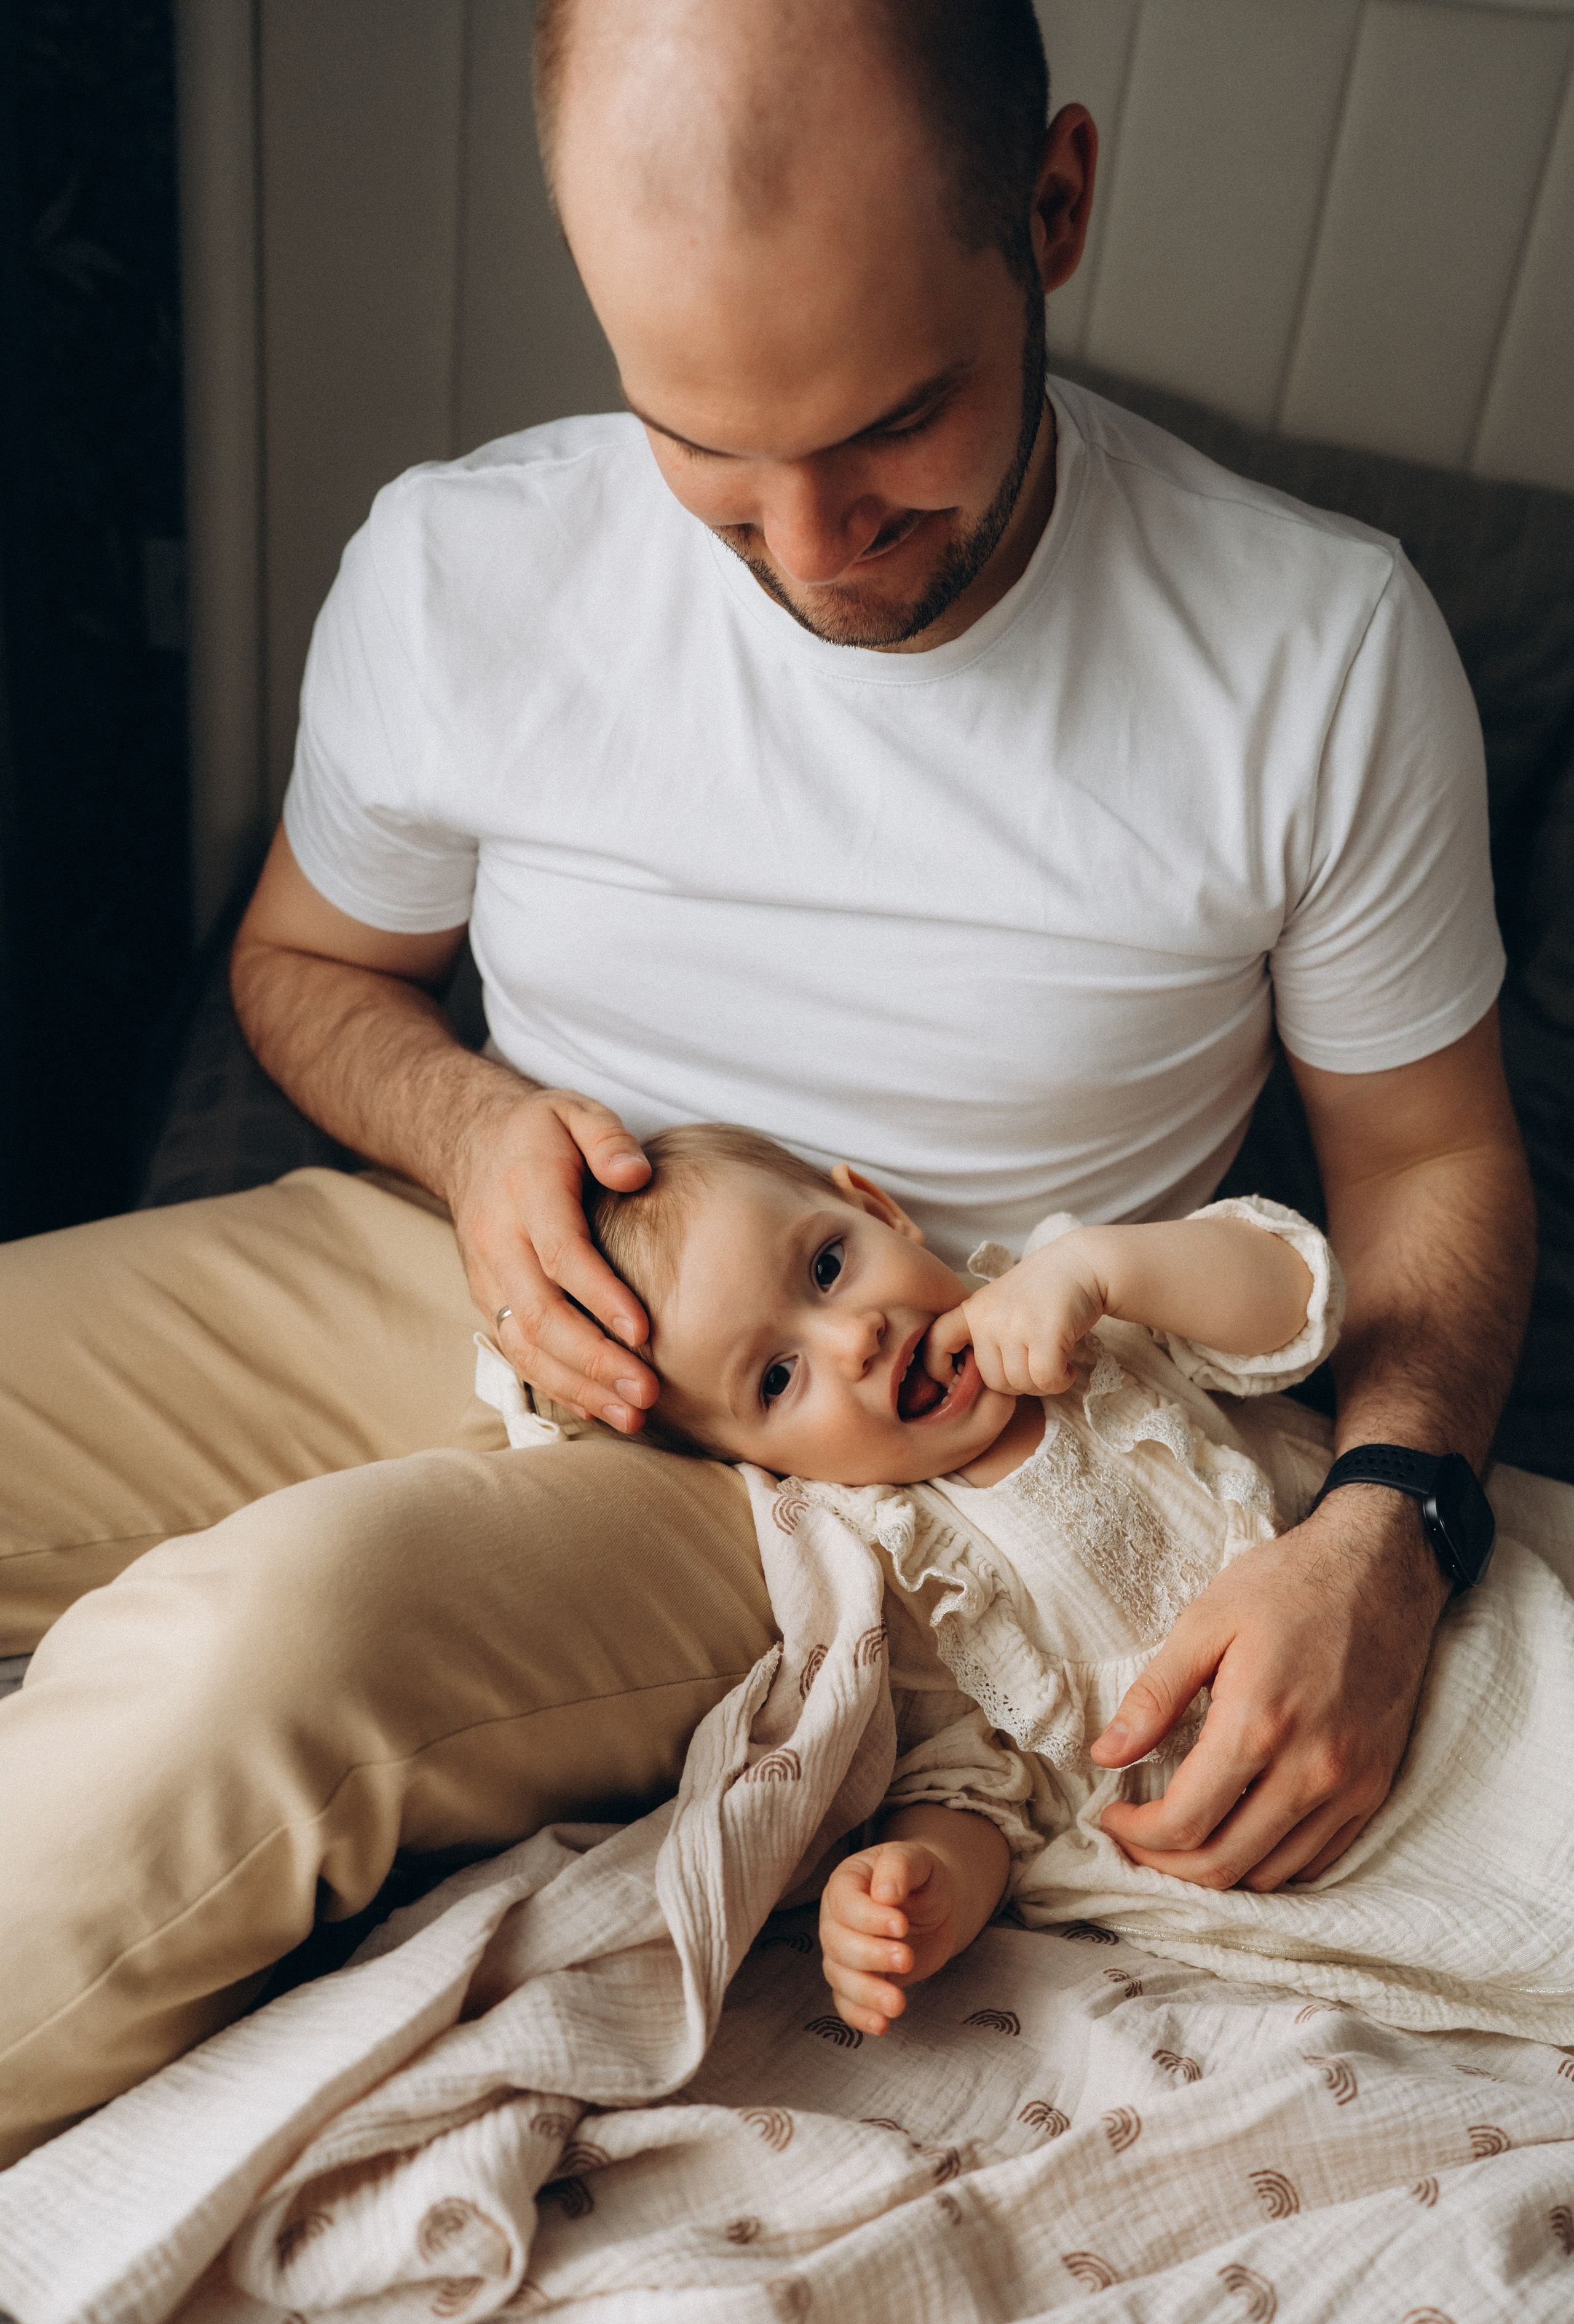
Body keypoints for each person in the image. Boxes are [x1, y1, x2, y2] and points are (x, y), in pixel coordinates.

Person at [0, 0, 1532, 2164]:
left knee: (263, 1655)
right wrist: (472, 1128)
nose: (812, 545)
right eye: (703, 444)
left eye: (895, 423)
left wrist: (1395, 1522)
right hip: (466, 1252)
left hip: (855, 1479)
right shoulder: (459, 563)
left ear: (1053, 207)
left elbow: (1432, 1153)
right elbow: (307, 967)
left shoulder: (1320, 648)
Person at [585, 1122, 1574, 2047]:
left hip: (1428, 1655)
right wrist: (923, 1885)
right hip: (1286, 1860)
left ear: (878, 1209)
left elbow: (1294, 1299)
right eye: (776, 1379)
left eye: (828, 1266)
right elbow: (980, 1793)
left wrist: (1105, 1269)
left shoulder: (1080, 1303)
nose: (855, 1339)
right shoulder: (891, 1565)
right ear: (753, 1463)